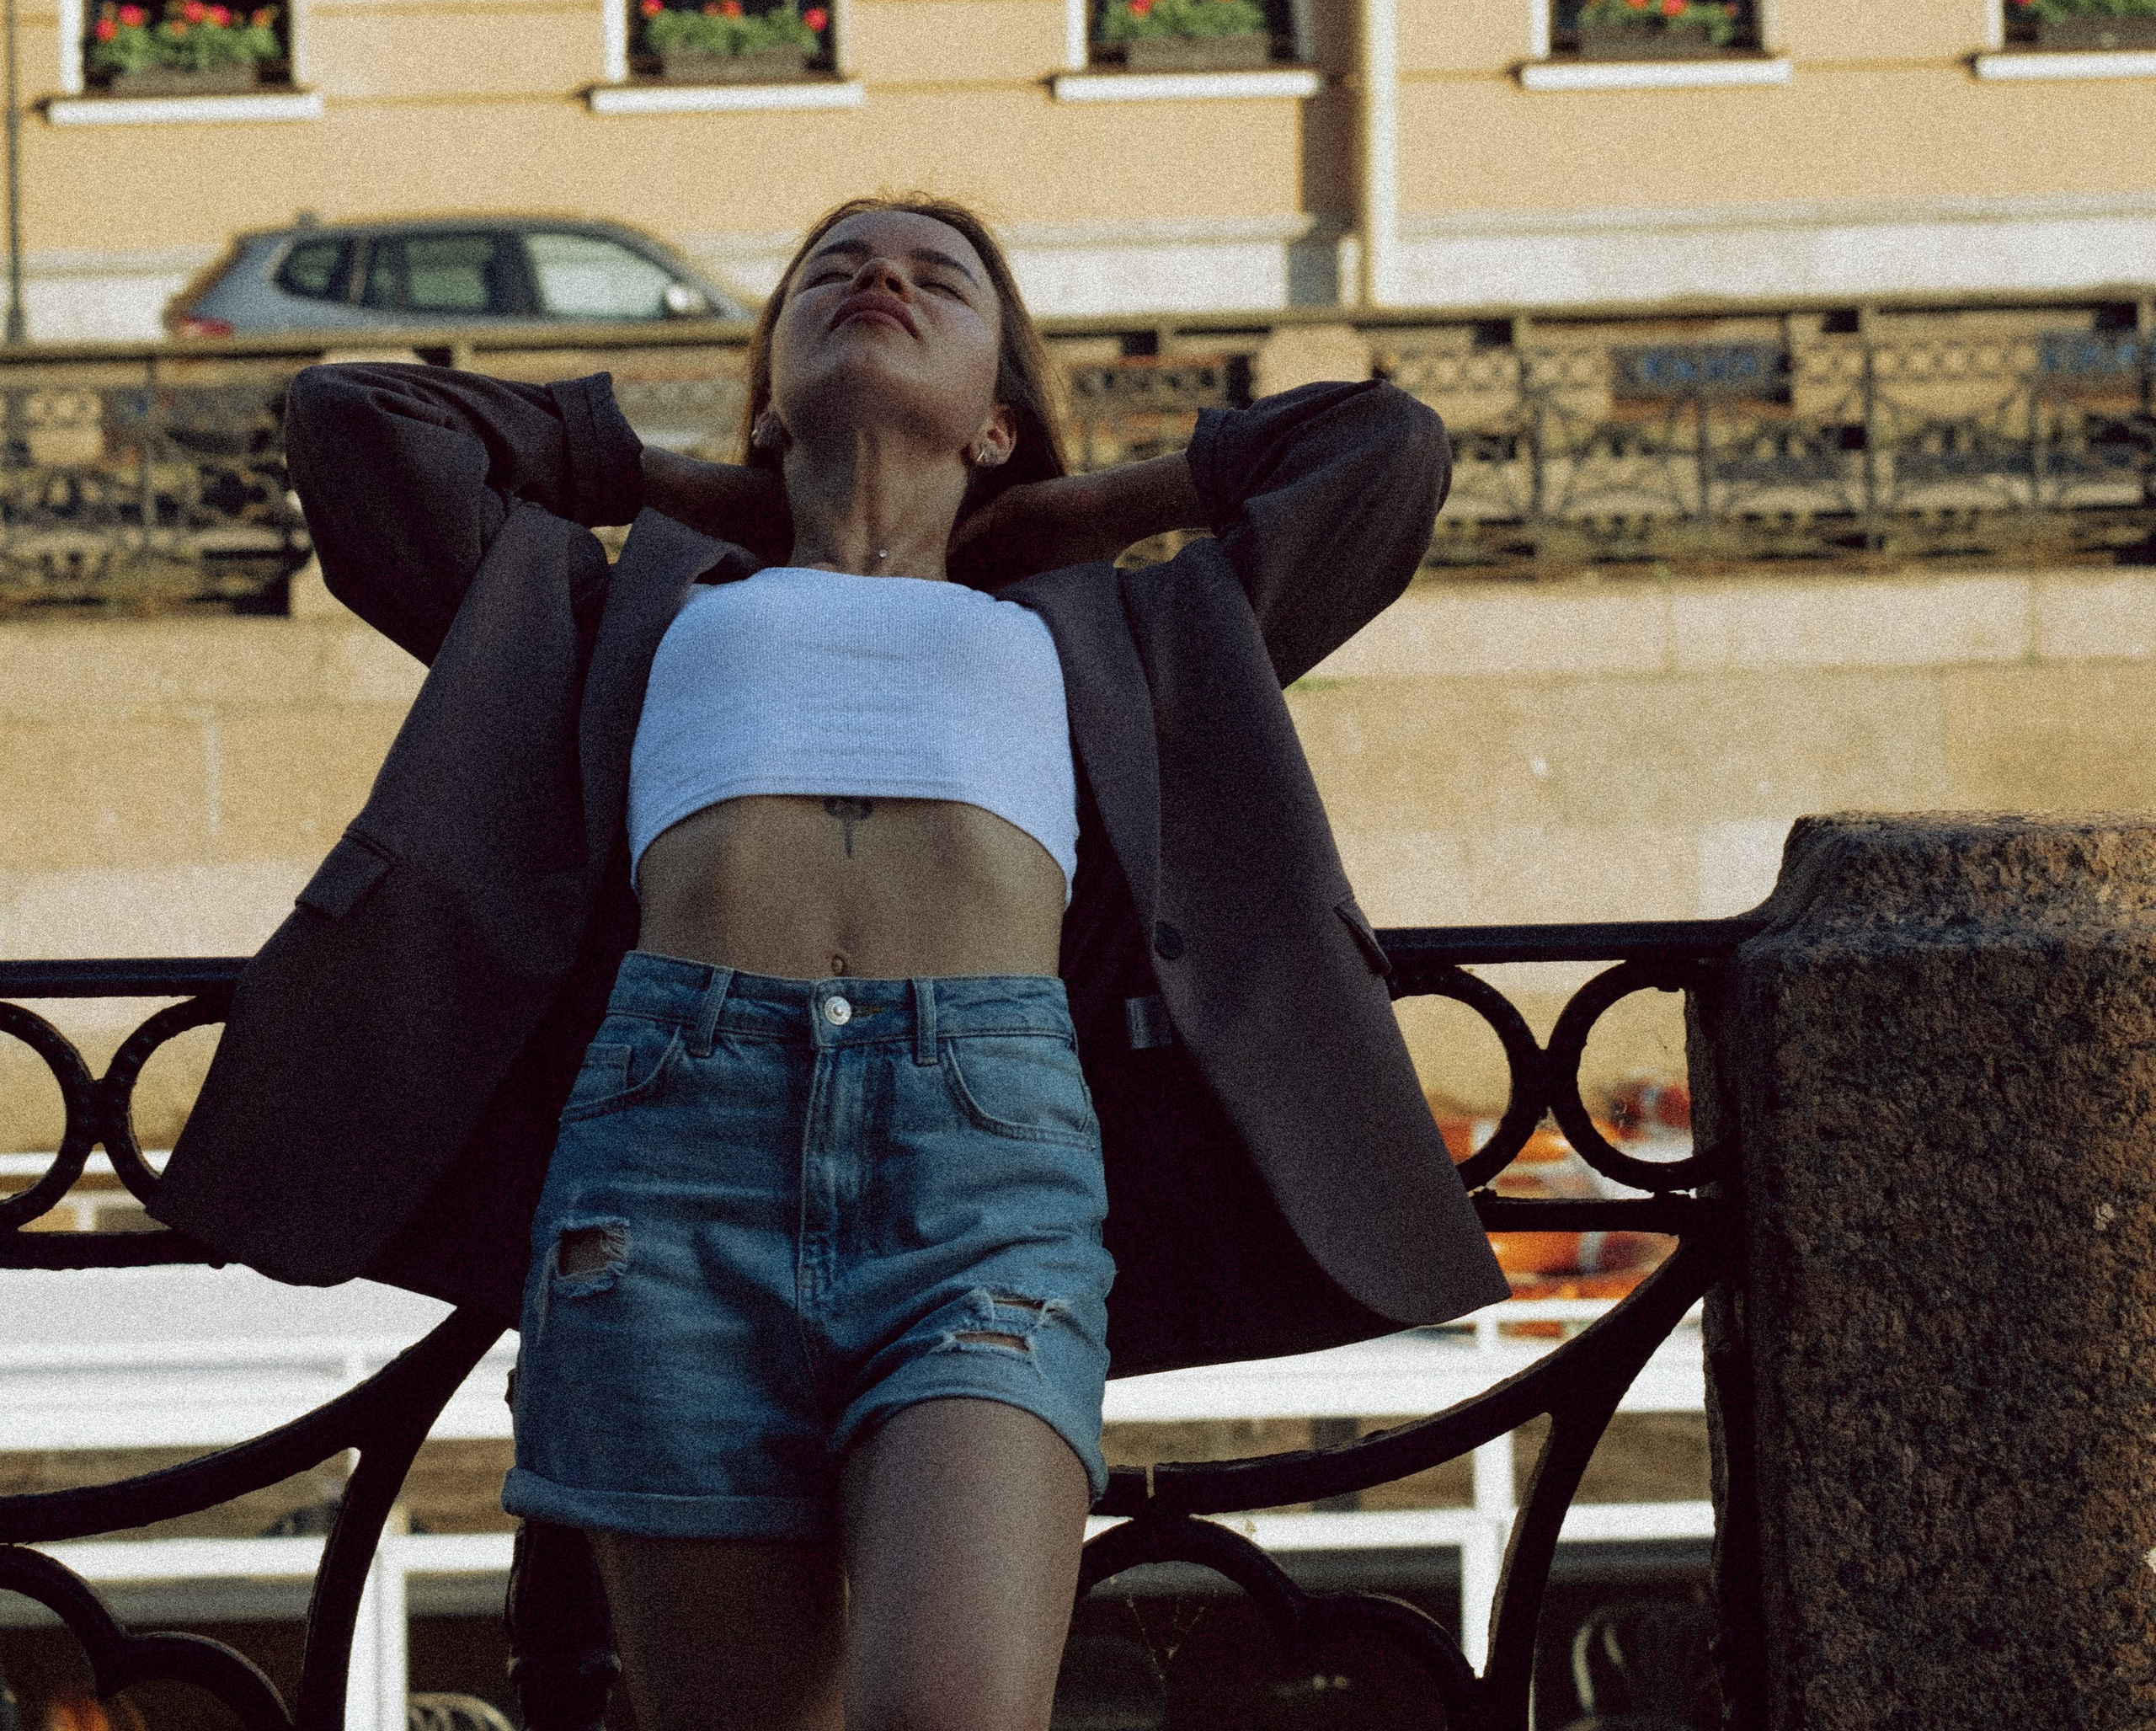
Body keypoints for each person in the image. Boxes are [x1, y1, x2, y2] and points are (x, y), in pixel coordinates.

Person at [160, 195, 1502, 1731]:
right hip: (672, 1153)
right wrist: (698, 486)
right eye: (834, 271)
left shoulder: (1120, 630)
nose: (880, 279)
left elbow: (1383, 454)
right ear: (767, 387)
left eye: (940, 279)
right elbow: (357, 418)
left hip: (986, 1168)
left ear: (1003, 420)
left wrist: (1073, 508)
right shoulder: (623, 607)